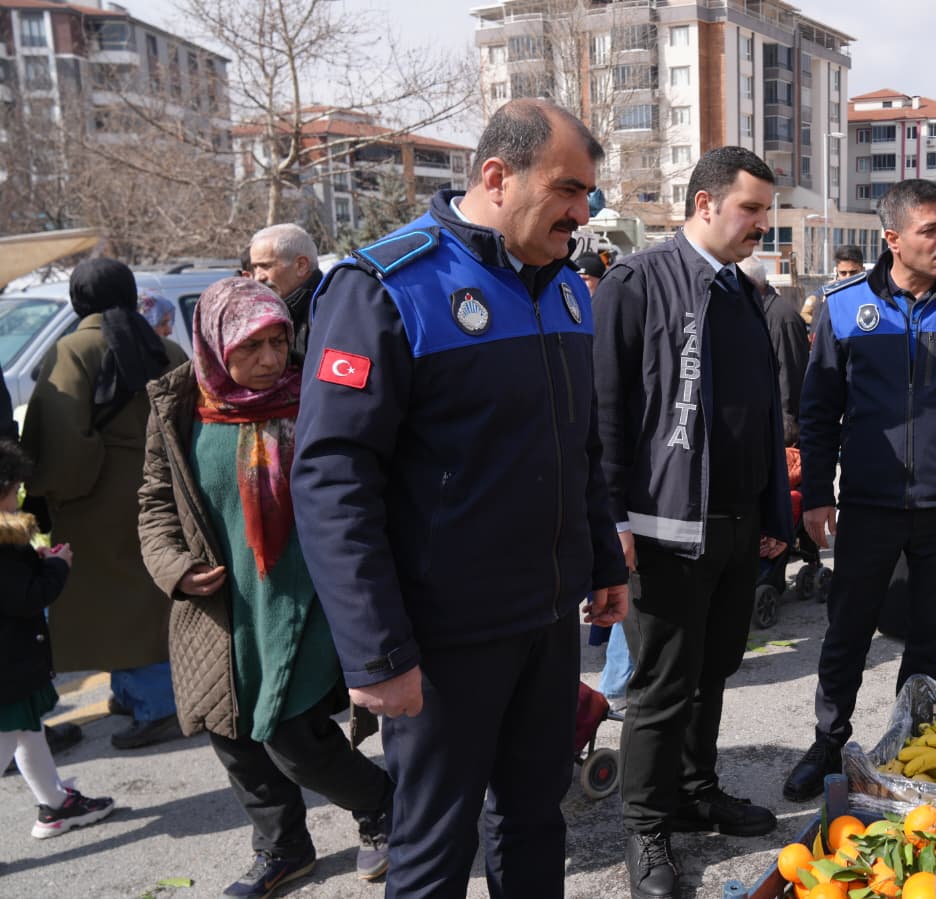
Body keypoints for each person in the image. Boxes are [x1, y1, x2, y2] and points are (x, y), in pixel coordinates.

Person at [290, 99, 629, 898]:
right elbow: (333, 478)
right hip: (442, 640)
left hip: (546, 621)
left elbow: (578, 446)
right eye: (570, 190)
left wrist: (602, 556)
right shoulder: (388, 286)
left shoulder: (568, 290)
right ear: (496, 176)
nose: (584, 212)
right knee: (436, 843)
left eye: (589, 194)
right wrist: (376, 651)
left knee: (537, 820)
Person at [139, 278, 393, 895]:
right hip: (224, 606)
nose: (271, 359)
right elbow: (153, 503)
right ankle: (282, 848)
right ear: (216, 344)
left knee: (291, 733)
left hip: (306, 597)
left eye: (280, 341)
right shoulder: (177, 406)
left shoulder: (316, 395)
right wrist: (174, 567)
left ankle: (382, 806)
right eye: (252, 346)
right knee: (235, 738)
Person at [783, 178, 936, 802]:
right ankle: (828, 742)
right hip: (868, 503)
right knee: (848, 629)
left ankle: (905, 744)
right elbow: (818, 414)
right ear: (892, 238)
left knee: (928, 635)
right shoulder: (842, 308)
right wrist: (816, 496)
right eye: (931, 230)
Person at [594, 146, 791, 899]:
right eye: (750, 210)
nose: (761, 227)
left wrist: (774, 513)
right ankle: (647, 827)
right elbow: (605, 411)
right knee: (662, 685)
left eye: (765, 213)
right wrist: (610, 519)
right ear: (705, 204)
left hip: (738, 525)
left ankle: (693, 789)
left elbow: (764, 416)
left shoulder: (743, 296)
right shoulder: (637, 282)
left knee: (714, 671)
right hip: (664, 526)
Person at [21, 258, 188, 750]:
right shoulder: (166, 346)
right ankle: (135, 691)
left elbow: (63, 438)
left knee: (111, 605)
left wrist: (53, 492)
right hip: (162, 493)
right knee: (151, 597)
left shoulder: (74, 349)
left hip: (97, 501)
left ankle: (158, 705)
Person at [0, 441, 116, 840]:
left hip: (12, 665)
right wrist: (55, 567)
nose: (18, 496)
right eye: (14, 489)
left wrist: (39, 562)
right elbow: (26, 597)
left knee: (29, 733)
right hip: (8, 667)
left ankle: (55, 805)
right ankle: (55, 805)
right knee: (7, 737)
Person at [741, 253, 811, 442]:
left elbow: (790, 377)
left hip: (780, 432)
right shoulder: (754, 312)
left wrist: (786, 431)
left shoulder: (781, 318)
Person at [247, 223, 322, 362]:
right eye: (255, 267)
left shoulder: (330, 309)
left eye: (265, 266)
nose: (258, 277)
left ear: (301, 265)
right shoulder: (268, 310)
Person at [805, 246, 867, 335]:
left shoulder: (872, 294)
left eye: (853, 273)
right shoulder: (826, 295)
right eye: (843, 273)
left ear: (862, 270)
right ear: (837, 272)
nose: (848, 278)